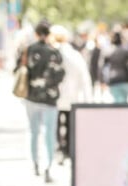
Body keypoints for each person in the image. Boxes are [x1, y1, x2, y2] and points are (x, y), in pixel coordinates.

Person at [21, 20, 65, 183]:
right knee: (49, 134)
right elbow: (60, 75)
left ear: (36, 34)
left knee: (33, 132)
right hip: (50, 98)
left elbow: (20, 70)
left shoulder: (29, 50)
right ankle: (48, 166)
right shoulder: (54, 52)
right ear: (49, 35)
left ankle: (34, 163)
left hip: (31, 97)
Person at [50, 25, 92, 165]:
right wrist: (87, 98)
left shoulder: (52, 53)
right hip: (72, 96)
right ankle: (67, 149)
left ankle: (59, 149)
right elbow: (84, 77)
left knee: (56, 124)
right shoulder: (74, 54)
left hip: (55, 96)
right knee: (69, 123)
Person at [103, 31, 128, 103]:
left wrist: (103, 80)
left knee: (118, 102)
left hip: (114, 79)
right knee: (123, 102)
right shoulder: (125, 51)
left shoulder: (109, 51)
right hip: (125, 79)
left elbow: (104, 67)